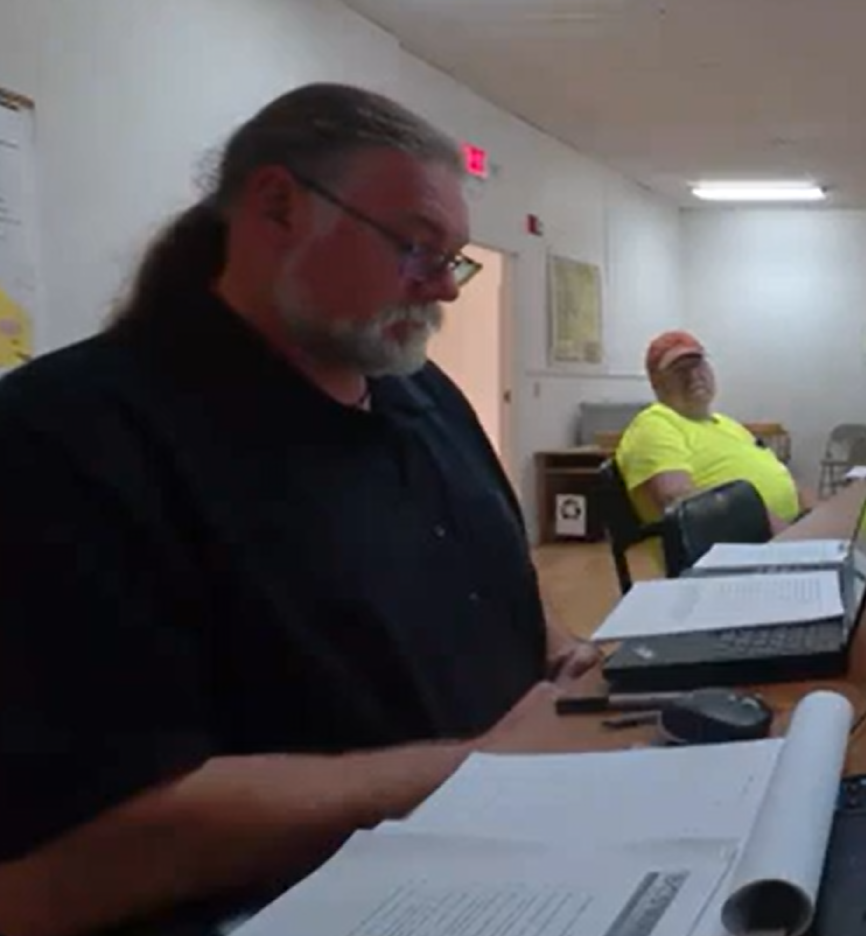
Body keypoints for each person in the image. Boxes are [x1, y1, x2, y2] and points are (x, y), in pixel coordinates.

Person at [0, 84, 593, 936]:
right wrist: (479, 769)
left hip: (515, 862)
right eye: (415, 247)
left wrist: (567, 655)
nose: (445, 291)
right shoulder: (66, 441)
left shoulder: (419, 396)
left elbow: (497, 580)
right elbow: (70, 853)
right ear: (277, 206)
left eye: (452, 259)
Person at [616, 330, 810, 535]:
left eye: (698, 364)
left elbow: (777, 473)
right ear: (656, 383)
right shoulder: (654, 424)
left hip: (789, 532)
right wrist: (772, 526)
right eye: (679, 370)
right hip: (738, 548)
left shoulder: (727, 424)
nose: (693, 375)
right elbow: (678, 500)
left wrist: (815, 513)